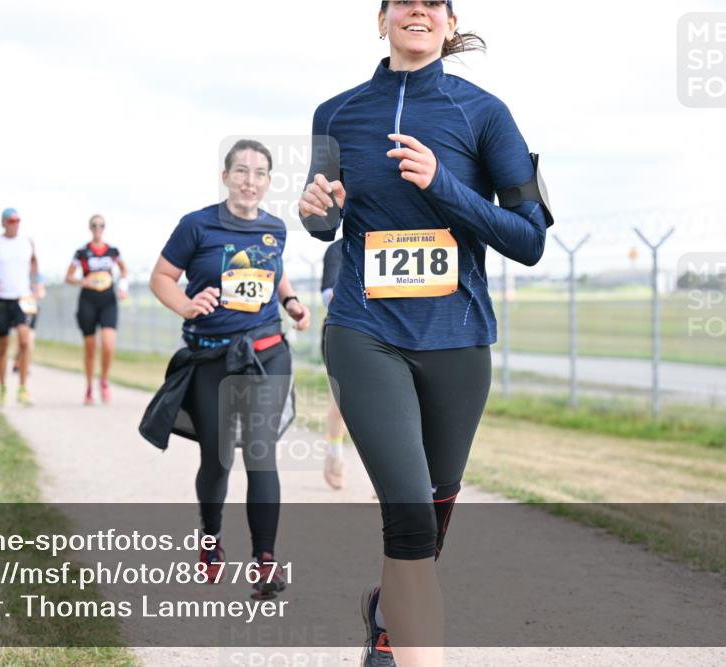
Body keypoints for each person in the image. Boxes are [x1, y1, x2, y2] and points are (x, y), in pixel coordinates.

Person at [298, 2, 550, 665]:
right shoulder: (335, 113)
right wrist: (316, 213)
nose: (417, 8)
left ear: (446, 19)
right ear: (380, 20)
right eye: (401, 0)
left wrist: (445, 186)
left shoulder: (486, 113)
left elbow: (530, 240)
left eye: (432, 0)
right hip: (364, 331)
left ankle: (386, 616)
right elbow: (324, 224)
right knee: (408, 515)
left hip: (458, 341)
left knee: (430, 521)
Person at [142, 139, 311, 600]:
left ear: (269, 182)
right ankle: (211, 539)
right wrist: (187, 304)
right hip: (212, 355)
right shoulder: (196, 226)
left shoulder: (276, 228)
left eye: (259, 173)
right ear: (225, 176)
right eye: (241, 171)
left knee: (261, 451)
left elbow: (272, 271)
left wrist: (291, 301)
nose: (249, 181)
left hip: (266, 352)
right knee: (217, 457)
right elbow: (161, 277)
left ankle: (265, 561)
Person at [0, 208, 39, 407]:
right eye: (11, 221)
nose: (15, 224)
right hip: (1, 298)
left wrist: (36, 284)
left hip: (23, 297)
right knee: (3, 345)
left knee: (25, 340)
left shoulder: (27, 242)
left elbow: (34, 264)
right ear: (3, 223)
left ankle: (23, 388)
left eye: (18, 220)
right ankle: (3, 387)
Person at [65, 215, 129, 405]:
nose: (98, 228)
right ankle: (89, 387)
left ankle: (104, 380)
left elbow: (124, 270)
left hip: (108, 299)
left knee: (109, 344)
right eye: (94, 225)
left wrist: (123, 287)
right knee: (90, 347)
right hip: (88, 300)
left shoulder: (112, 251)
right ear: (90, 228)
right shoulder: (82, 252)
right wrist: (81, 280)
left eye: (101, 225)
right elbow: (68, 277)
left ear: (104, 228)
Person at [320, 238, 347, 490]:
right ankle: (334, 453)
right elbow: (326, 294)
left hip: (390, 332)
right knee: (342, 403)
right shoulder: (337, 248)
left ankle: (385, 478)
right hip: (342, 331)